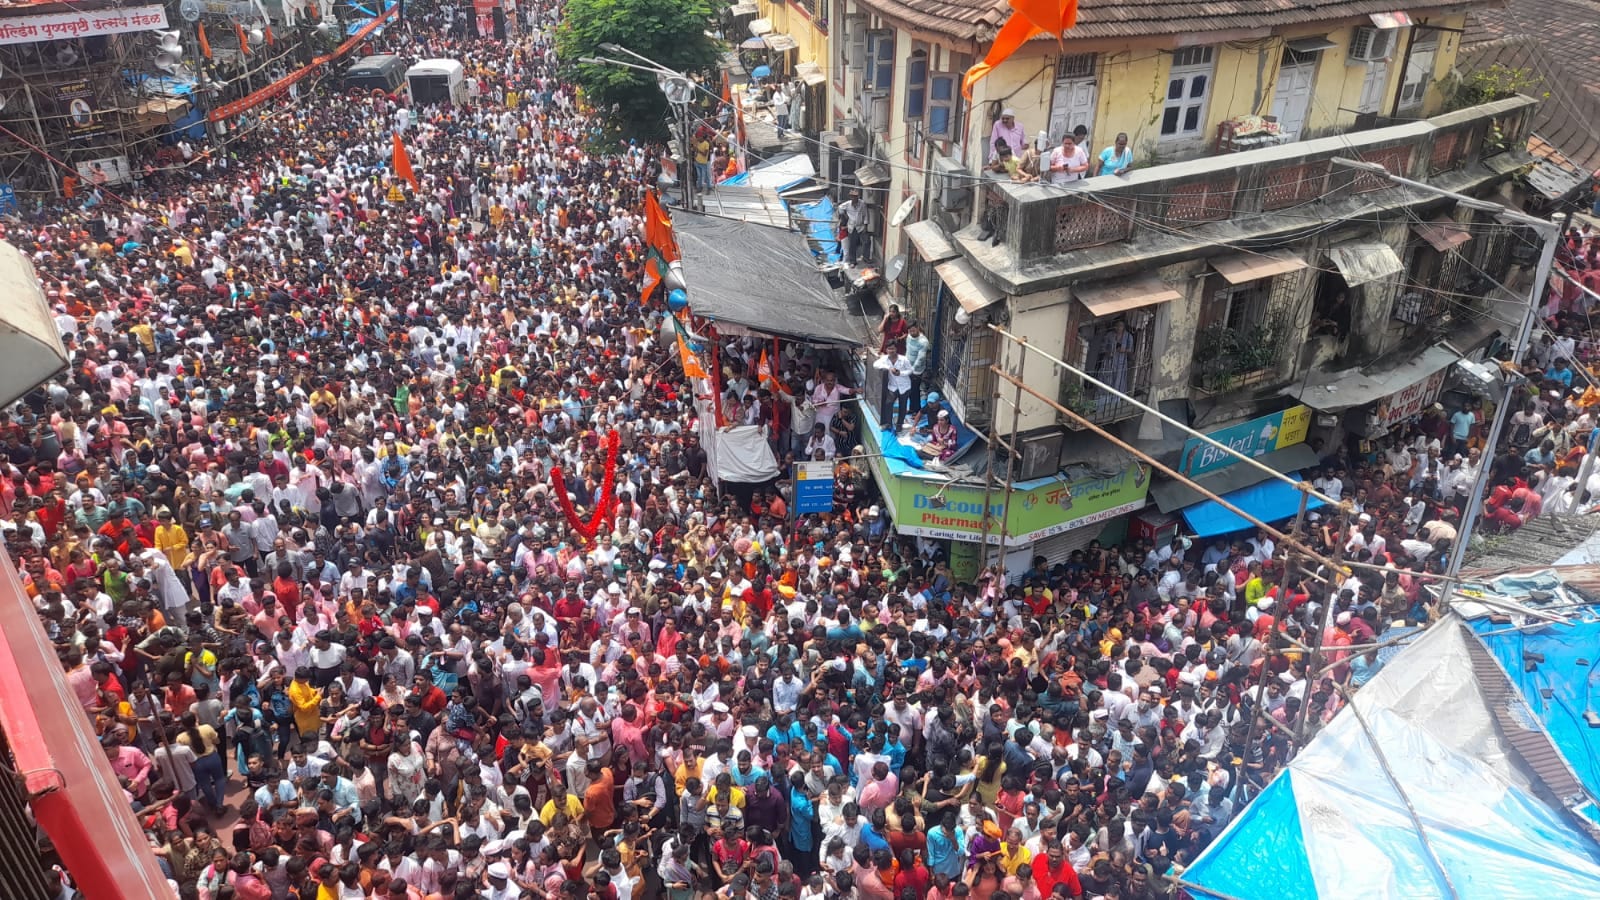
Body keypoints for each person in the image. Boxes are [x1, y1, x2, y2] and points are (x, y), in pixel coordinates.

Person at [840, 190, 869, 265]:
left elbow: (865, 215)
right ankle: (853, 261)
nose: (854, 198)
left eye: (856, 197)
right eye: (852, 197)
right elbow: (840, 208)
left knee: (866, 242)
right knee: (852, 245)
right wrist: (844, 214)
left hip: (861, 226)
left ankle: (866, 258)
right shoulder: (847, 204)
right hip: (852, 227)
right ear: (850, 197)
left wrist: (866, 225)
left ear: (858, 197)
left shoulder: (862, 204)